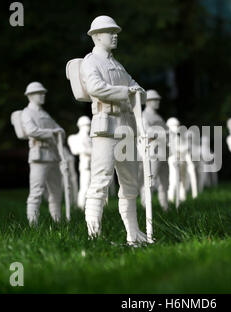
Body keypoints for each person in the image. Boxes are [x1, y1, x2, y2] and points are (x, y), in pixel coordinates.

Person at [79, 16, 147, 244]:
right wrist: (127, 92)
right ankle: (93, 235)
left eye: (115, 31)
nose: (115, 35)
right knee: (100, 182)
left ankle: (133, 233)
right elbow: (96, 88)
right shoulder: (90, 62)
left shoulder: (118, 65)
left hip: (126, 127)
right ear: (97, 36)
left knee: (130, 184)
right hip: (106, 128)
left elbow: (139, 89)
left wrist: (134, 91)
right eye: (110, 32)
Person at [21, 81, 65, 224]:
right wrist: (53, 132)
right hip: (39, 155)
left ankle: (58, 221)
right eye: (39, 93)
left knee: (56, 193)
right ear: (30, 96)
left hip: (52, 155)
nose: (42, 95)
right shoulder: (26, 113)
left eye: (43, 93)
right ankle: (33, 224)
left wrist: (58, 132)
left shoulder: (45, 114)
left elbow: (60, 130)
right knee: (36, 192)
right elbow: (31, 131)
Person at [138, 89, 169, 211]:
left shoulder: (158, 117)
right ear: (148, 101)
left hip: (163, 151)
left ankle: (165, 207)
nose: (158, 102)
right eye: (155, 100)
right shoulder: (144, 116)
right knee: (151, 179)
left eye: (158, 100)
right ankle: (145, 206)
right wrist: (165, 132)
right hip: (153, 152)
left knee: (164, 182)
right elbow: (147, 133)